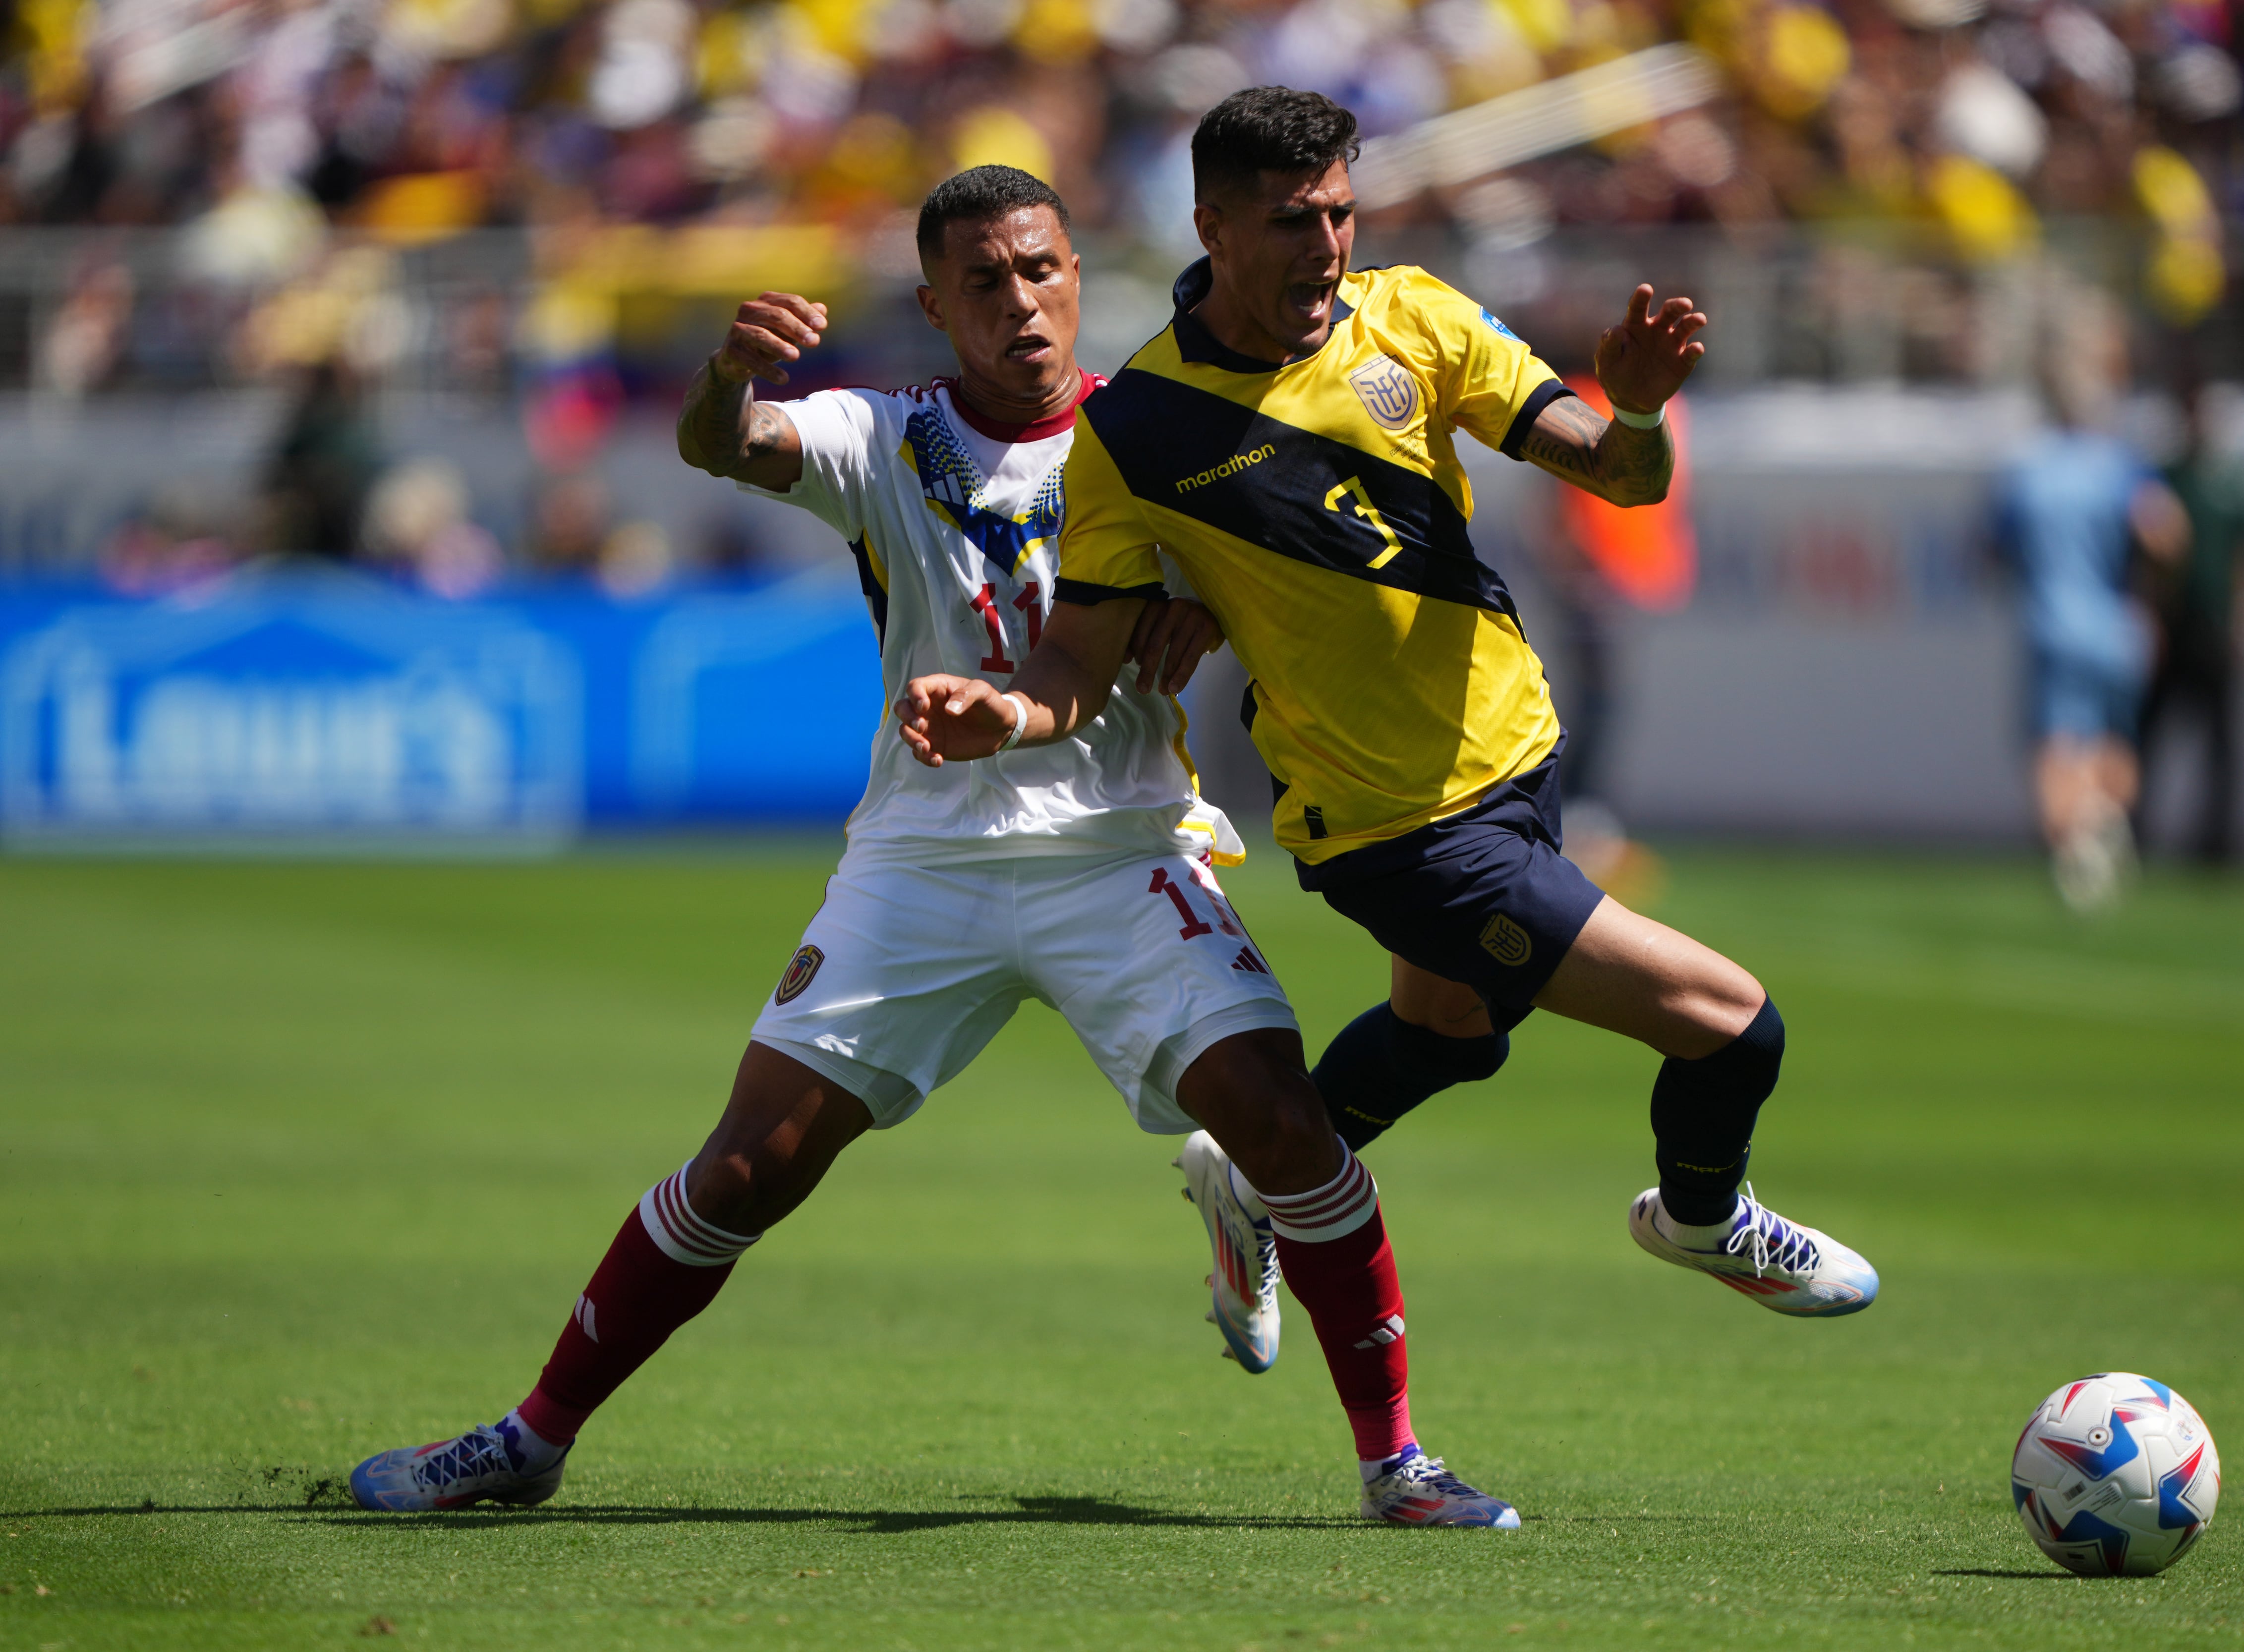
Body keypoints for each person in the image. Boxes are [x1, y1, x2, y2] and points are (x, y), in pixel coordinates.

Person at [347, 165, 1521, 1530]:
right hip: (924, 857)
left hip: (1119, 848)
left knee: (1284, 1129)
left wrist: (1208, 606)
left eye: (1040, 271)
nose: (1019, 304)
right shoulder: (879, 432)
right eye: (984, 281)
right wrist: (727, 374)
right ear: (936, 304)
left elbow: (1289, 584)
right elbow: (721, 448)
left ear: (1079, 275)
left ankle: (1398, 1464)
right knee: (746, 1166)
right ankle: (529, 1437)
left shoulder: (1169, 428)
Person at [896, 90, 1879, 1355]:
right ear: (1213, 227)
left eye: (1340, 214)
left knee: (1447, 1034)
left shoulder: (1414, 317)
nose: (1326, 246)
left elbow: (1620, 478)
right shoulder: (1136, 430)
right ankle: (1701, 1215)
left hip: (1516, 756)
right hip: (1394, 832)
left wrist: (1634, 413)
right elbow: (1082, 651)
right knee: (1734, 1026)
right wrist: (1015, 711)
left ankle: (1250, 1180)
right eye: (1291, 220)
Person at [1992, 331, 2189, 911]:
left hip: (2051, 623)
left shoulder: (2029, 470)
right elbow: (2168, 534)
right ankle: (2102, 823)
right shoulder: (2118, 466)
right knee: (2112, 739)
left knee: (2056, 748)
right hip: (2114, 624)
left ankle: (2074, 850)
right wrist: (2149, 594)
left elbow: (1991, 549)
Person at [2137, 377, 2244, 866]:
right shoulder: (2163, 479)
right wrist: (2149, 616)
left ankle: (2218, 845)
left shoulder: (2236, 484)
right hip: (2175, 622)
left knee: (2222, 742)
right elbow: (2147, 561)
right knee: (2149, 733)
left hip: (2216, 623)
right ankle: (2134, 836)